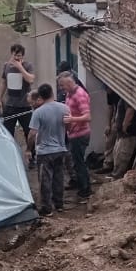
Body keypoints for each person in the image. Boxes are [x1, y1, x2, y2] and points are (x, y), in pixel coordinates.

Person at [27, 83, 69, 216]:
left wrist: (29, 149)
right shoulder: (64, 108)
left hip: (45, 151)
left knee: (45, 180)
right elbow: (69, 127)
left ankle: (46, 208)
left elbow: (32, 133)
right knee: (59, 177)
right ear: (52, 93)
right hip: (60, 149)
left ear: (40, 96)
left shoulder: (38, 112)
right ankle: (59, 204)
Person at [59, 68, 92, 201]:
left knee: (79, 162)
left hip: (80, 134)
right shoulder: (69, 94)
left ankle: (86, 189)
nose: (60, 88)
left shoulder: (79, 95)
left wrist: (72, 120)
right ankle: (78, 183)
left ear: (70, 82)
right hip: (72, 133)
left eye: (62, 85)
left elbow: (88, 117)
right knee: (74, 161)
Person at [0, 43, 35, 144]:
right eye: (15, 55)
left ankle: (30, 153)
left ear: (23, 56)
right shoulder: (6, 66)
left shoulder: (28, 66)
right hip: (10, 105)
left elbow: (31, 79)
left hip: (24, 105)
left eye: (19, 56)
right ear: (11, 54)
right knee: (8, 132)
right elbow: (3, 82)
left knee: (28, 131)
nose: (17, 58)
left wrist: (20, 68)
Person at [112, 99, 136, 177]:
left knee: (123, 156)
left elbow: (130, 110)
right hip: (123, 133)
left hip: (130, 132)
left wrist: (125, 126)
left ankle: (118, 176)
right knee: (118, 154)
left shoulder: (129, 96)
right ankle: (116, 175)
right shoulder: (124, 96)